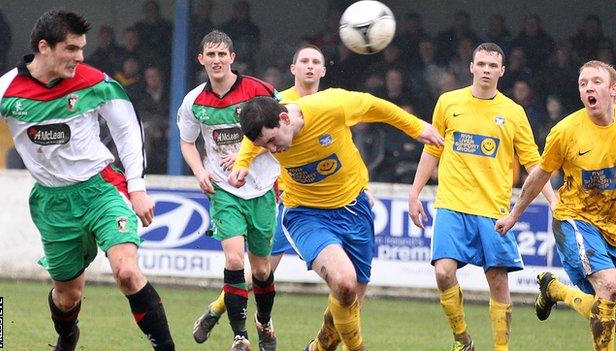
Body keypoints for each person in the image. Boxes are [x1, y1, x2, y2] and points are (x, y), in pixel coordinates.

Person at [0, 10, 174, 351]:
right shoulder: (5, 91)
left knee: (127, 273)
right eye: (72, 49)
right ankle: (67, 337)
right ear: (43, 47)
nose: (80, 57)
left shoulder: (94, 81)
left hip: (101, 189)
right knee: (67, 295)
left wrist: (137, 187)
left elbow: (126, 128)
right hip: (53, 202)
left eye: (82, 49)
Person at [229, 84, 444, 350]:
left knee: (350, 299)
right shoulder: (266, 131)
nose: (273, 150)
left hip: (354, 209)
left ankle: (319, 347)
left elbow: (374, 105)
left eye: (273, 141)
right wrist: (241, 165)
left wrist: (415, 128)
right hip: (305, 213)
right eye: (266, 145)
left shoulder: (330, 106)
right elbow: (253, 144)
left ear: (285, 118)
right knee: (343, 281)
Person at [195, 44, 370, 351]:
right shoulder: (279, 102)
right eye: (304, 61)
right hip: (295, 205)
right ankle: (217, 310)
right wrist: (244, 155)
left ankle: (321, 344)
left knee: (352, 291)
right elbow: (263, 135)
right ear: (293, 69)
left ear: (324, 70)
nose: (310, 66)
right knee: (262, 271)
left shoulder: (331, 105)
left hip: (340, 205)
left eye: (316, 61)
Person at [408, 42, 556, 351]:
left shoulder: (513, 113)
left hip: (493, 209)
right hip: (452, 203)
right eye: (481, 64)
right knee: (443, 272)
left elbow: (533, 162)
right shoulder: (448, 103)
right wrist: (415, 192)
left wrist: (553, 200)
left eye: (492, 65)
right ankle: (462, 339)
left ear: (502, 71)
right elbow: (432, 148)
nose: (486, 70)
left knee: (499, 281)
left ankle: (501, 348)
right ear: (472, 67)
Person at [495, 60, 616, 351]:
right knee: (609, 287)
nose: (589, 87)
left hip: (611, 223)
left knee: (606, 301)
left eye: (596, 82)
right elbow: (539, 175)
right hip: (575, 219)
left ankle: (555, 289)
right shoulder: (565, 131)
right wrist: (514, 214)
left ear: (613, 89)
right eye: (583, 83)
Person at [177, 30, 280, 351]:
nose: (217, 60)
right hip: (224, 191)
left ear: (232, 58)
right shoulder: (194, 101)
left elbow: (282, 132)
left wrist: (247, 153)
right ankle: (240, 336)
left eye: (223, 54)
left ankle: (263, 323)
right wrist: (198, 170)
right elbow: (187, 141)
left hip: (262, 188)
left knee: (261, 270)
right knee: (234, 260)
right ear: (202, 59)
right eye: (211, 55)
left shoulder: (259, 91)